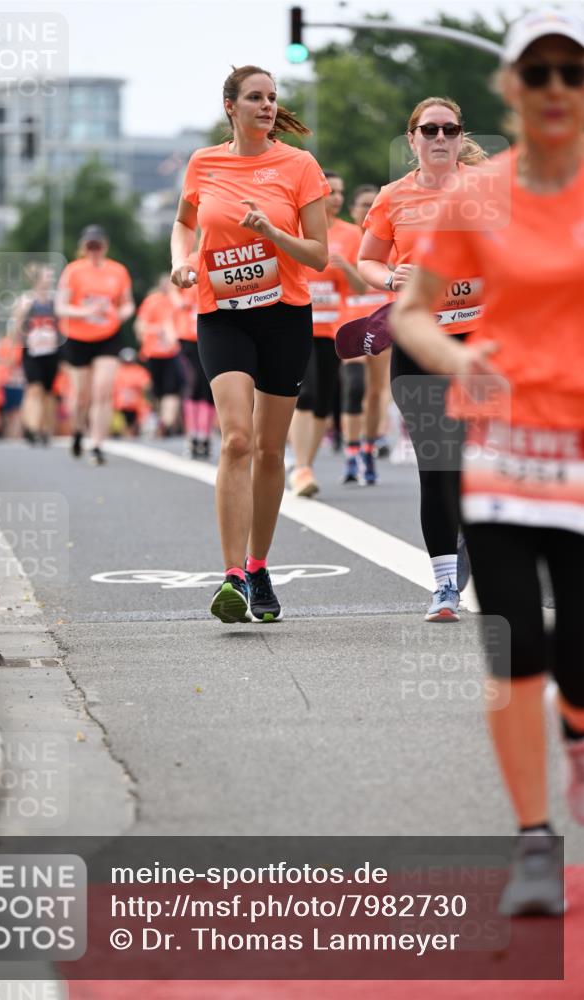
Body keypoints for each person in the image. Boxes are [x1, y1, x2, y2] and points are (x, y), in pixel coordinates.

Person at [391, 7, 584, 914]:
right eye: (535, 73)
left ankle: (575, 735)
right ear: (510, 87)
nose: (553, 88)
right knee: (514, 645)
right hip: (500, 449)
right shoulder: (477, 196)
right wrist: (455, 359)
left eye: (570, 73)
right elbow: (410, 312)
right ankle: (534, 841)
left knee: (576, 652)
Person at [171, 64, 329, 623]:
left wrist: (272, 233)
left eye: (272, 97)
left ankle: (259, 565)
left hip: (284, 314)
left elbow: (319, 256)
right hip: (223, 316)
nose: (267, 106)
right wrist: (182, 261)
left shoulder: (299, 165)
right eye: (255, 97)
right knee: (236, 438)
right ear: (231, 107)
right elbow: (184, 224)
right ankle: (232, 574)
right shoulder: (204, 163)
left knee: (268, 448)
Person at [359, 97, 485, 621]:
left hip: (479, 339)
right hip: (417, 340)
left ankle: (478, 541)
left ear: (460, 137)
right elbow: (367, 260)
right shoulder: (393, 197)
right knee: (436, 465)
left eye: (449, 130)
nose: (439, 138)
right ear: (411, 139)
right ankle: (445, 586)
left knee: (478, 462)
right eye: (429, 130)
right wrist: (391, 277)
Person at [289, 171, 366, 497]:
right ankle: (301, 466)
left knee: (322, 401)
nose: (336, 197)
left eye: (340, 192)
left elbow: (361, 288)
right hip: (299, 325)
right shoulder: (297, 230)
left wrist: (346, 267)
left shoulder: (352, 235)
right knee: (304, 394)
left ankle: (306, 464)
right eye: (330, 191)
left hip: (334, 329)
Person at [56, 225, 135, 465]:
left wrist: (119, 314)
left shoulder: (118, 271)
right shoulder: (73, 271)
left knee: (103, 390)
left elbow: (128, 304)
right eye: (89, 246)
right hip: (78, 337)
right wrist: (86, 312)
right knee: (82, 395)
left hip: (107, 336)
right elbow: (61, 307)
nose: (94, 251)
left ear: (105, 246)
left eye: (97, 246)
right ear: (83, 248)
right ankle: (78, 429)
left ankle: (98, 444)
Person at [340, 184, 394, 484]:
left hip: (382, 321)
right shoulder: (345, 238)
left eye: (373, 204)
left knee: (375, 391)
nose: (368, 209)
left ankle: (369, 449)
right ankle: (351, 452)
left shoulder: (391, 238)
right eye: (363, 204)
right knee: (355, 385)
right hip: (352, 321)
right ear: (353, 210)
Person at [11, 263, 60, 444]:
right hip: (32, 352)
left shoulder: (55, 300)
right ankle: (32, 428)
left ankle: (45, 428)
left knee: (48, 392)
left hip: (52, 352)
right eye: (47, 276)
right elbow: (16, 326)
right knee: (34, 389)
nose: (50, 280)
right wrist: (16, 344)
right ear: (37, 280)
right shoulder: (26, 300)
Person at [134, 275, 184, 437]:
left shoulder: (177, 301)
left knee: (172, 389)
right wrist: (157, 331)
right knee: (156, 390)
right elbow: (141, 325)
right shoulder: (152, 301)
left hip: (172, 352)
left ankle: (167, 423)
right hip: (153, 352)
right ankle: (159, 419)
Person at [174, 276, 217, 459]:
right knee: (194, 383)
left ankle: (205, 436)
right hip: (189, 338)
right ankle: (193, 435)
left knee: (210, 386)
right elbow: (174, 295)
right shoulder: (187, 273)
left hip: (212, 336)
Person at [112, 347, 151, 437]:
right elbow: (147, 386)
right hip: (120, 406)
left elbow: (146, 386)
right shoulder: (138, 371)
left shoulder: (138, 371)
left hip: (133, 406)